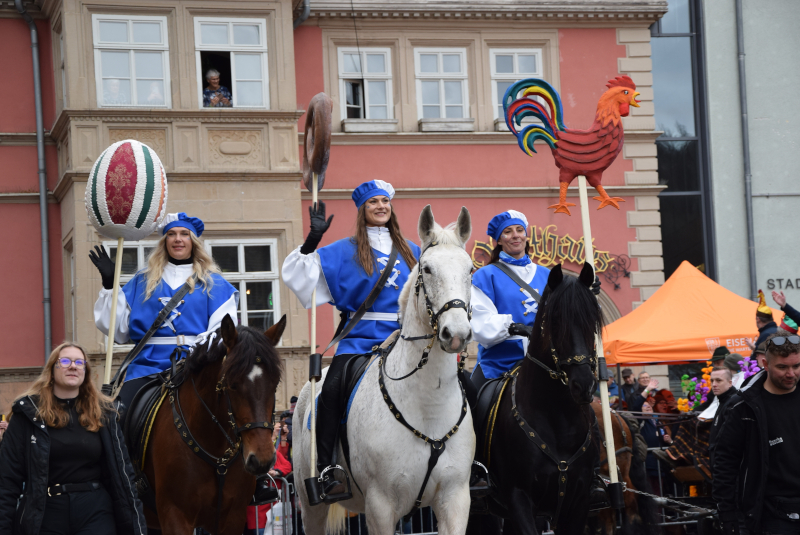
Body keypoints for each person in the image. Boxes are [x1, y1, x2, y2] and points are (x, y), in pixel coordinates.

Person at [281, 179, 420, 500]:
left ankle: (470, 465)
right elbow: (298, 273)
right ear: (363, 209)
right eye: (374, 202)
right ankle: (328, 468)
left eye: (385, 200)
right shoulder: (344, 251)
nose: (381, 206)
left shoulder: (413, 251)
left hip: (408, 341)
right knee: (330, 393)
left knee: (455, 383)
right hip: (359, 341)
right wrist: (311, 240)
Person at [0, 342, 146, 535]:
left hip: (95, 510)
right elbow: (7, 480)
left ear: (85, 371)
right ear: (52, 370)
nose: (73, 366)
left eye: (79, 362)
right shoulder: (28, 414)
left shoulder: (104, 414)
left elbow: (124, 474)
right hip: (46, 511)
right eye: (66, 361)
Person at [713, 331, 800, 535]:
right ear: (765, 364)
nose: (791, 373)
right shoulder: (743, 406)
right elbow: (725, 460)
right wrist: (726, 512)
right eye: (782, 367)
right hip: (770, 515)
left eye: (796, 366)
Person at [470, 210, 550, 387]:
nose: (515, 236)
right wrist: (513, 327)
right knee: (472, 405)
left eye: (519, 230)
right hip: (499, 364)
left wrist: (587, 291)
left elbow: (568, 313)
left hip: (545, 363)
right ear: (499, 240)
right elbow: (479, 323)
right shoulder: (484, 276)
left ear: (526, 235)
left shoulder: (547, 275)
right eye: (508, 232)